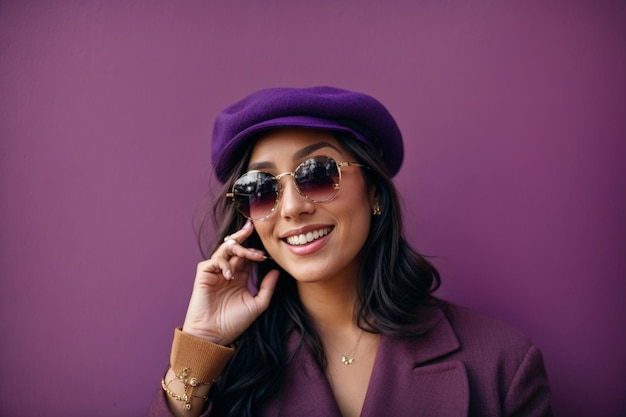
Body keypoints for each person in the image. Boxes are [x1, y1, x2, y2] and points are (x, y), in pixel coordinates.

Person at [148, 86, 552, 417]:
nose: (291, 208)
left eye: (319, 174)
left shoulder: (502, 362)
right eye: (261, 188)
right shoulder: (225, 368)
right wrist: (200, 346)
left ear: (373, 191)